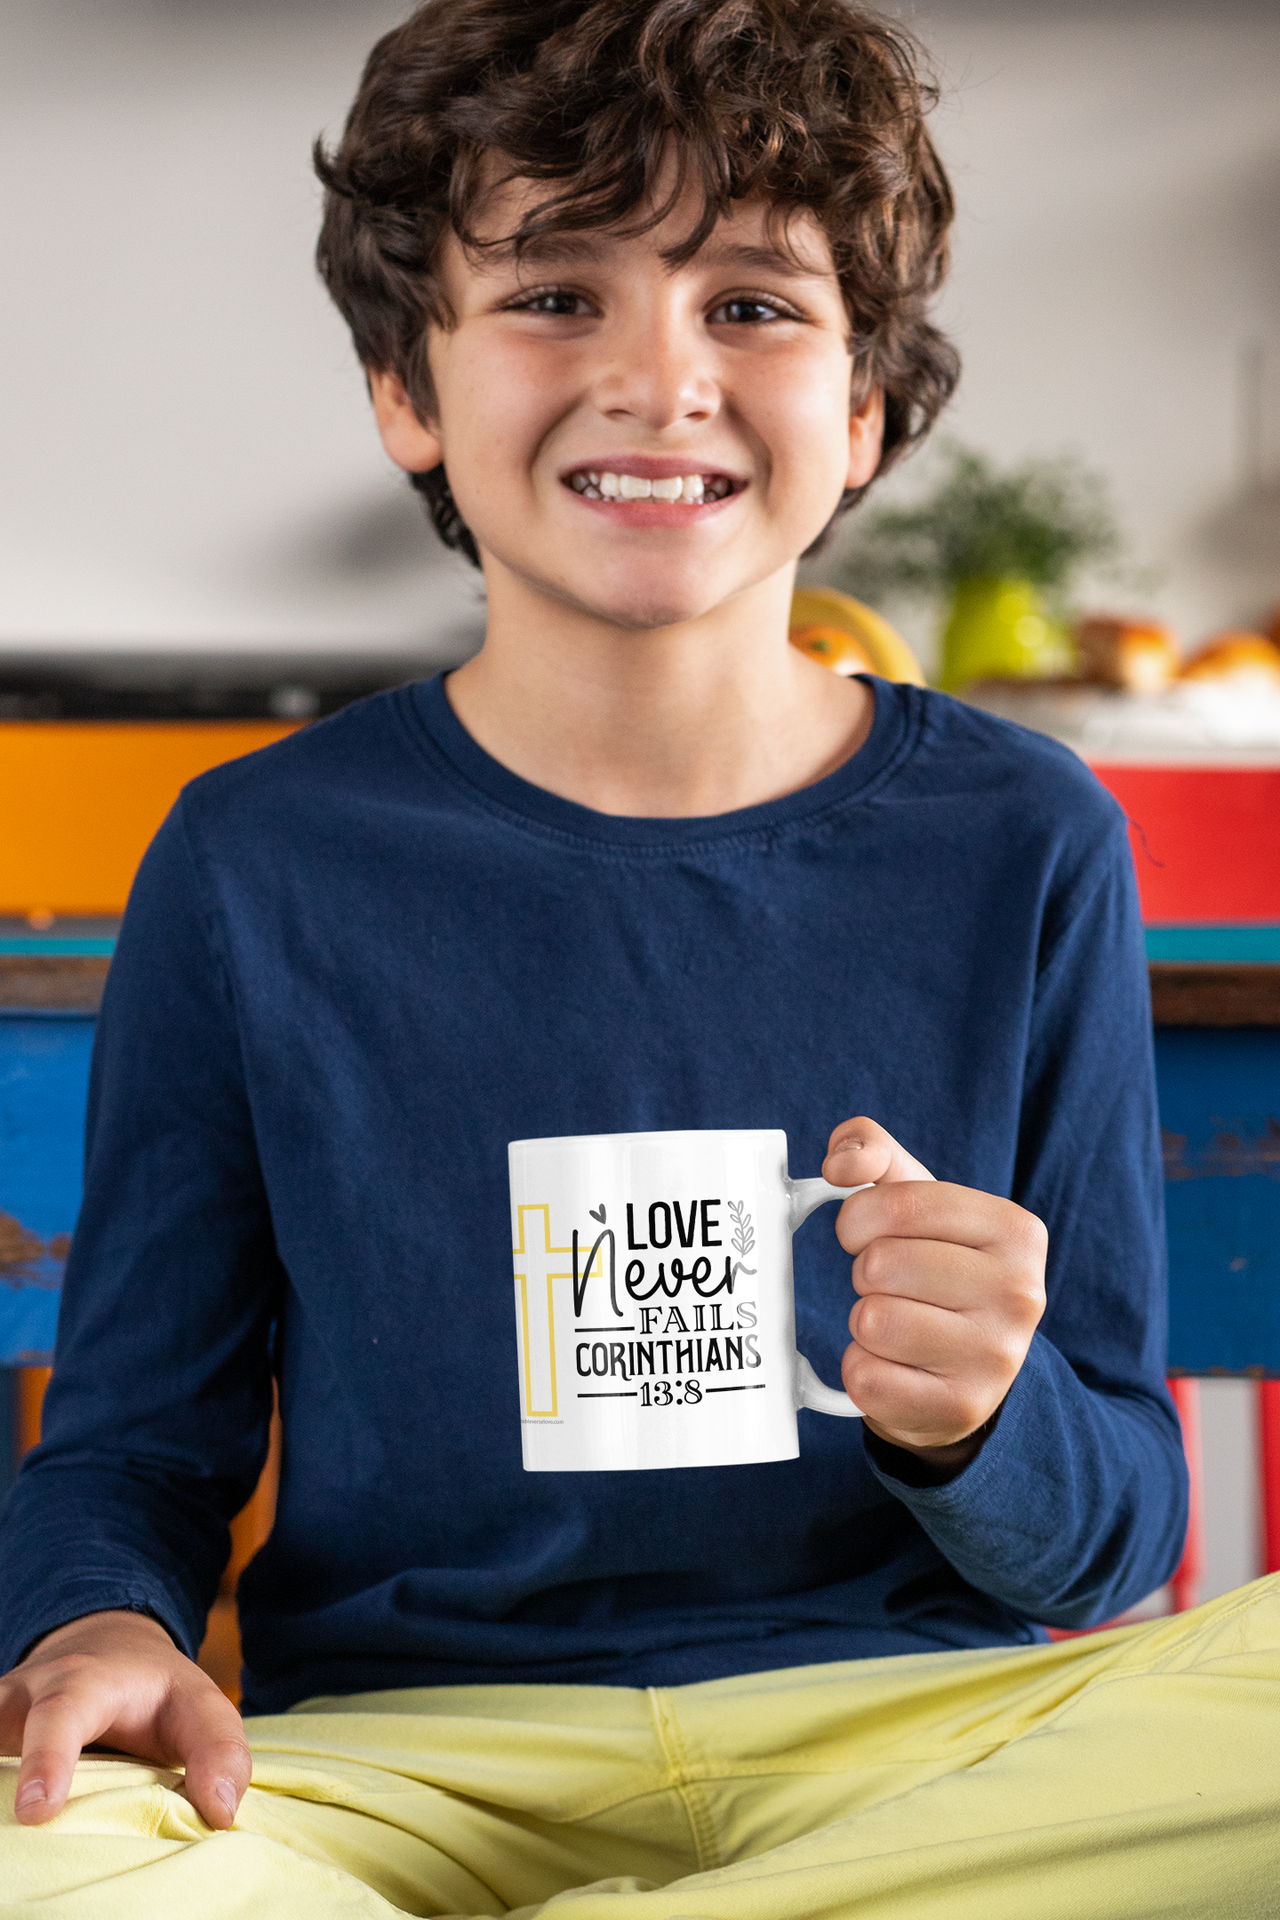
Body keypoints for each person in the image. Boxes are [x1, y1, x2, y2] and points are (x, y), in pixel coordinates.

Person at [2, 1, 1276, 1913]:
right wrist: (100, 1623)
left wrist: (983, 1422)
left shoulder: (1028, 838)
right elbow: (133, 1448)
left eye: (751, 305)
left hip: (916, 1756)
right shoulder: (254, 859)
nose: (661, 380)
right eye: (553, 295)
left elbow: (1112, 1546)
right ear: (406, 390)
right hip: (407, 1770)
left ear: (861, 413)